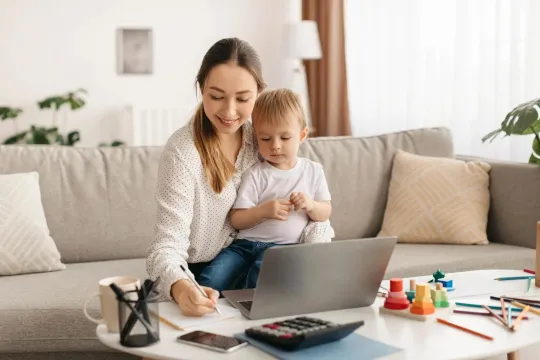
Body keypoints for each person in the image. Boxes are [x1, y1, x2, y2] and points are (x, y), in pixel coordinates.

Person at [146, 38, 333, 317]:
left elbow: (316, 214)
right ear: (201, 89)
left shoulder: (264, 138)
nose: (230, 112)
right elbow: (167, 244)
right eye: (217, 96)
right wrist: (180, 285)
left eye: (243, 99)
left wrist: (310, 256)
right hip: (203, 277)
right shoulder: (183, 152)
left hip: (271, 265)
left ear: (259, 94)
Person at [196, 89, 333, 293]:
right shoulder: (256, 173)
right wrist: (263, 211)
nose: (275, 146)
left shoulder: (312, 171)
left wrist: (310, 205)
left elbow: (325, 212)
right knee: (212, 277)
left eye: (285, 138)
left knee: (262, 274)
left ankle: (248, 308)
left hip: (283, 249)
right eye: (266, 139)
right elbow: (237, 219)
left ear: (302, 135)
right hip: (244, 245)